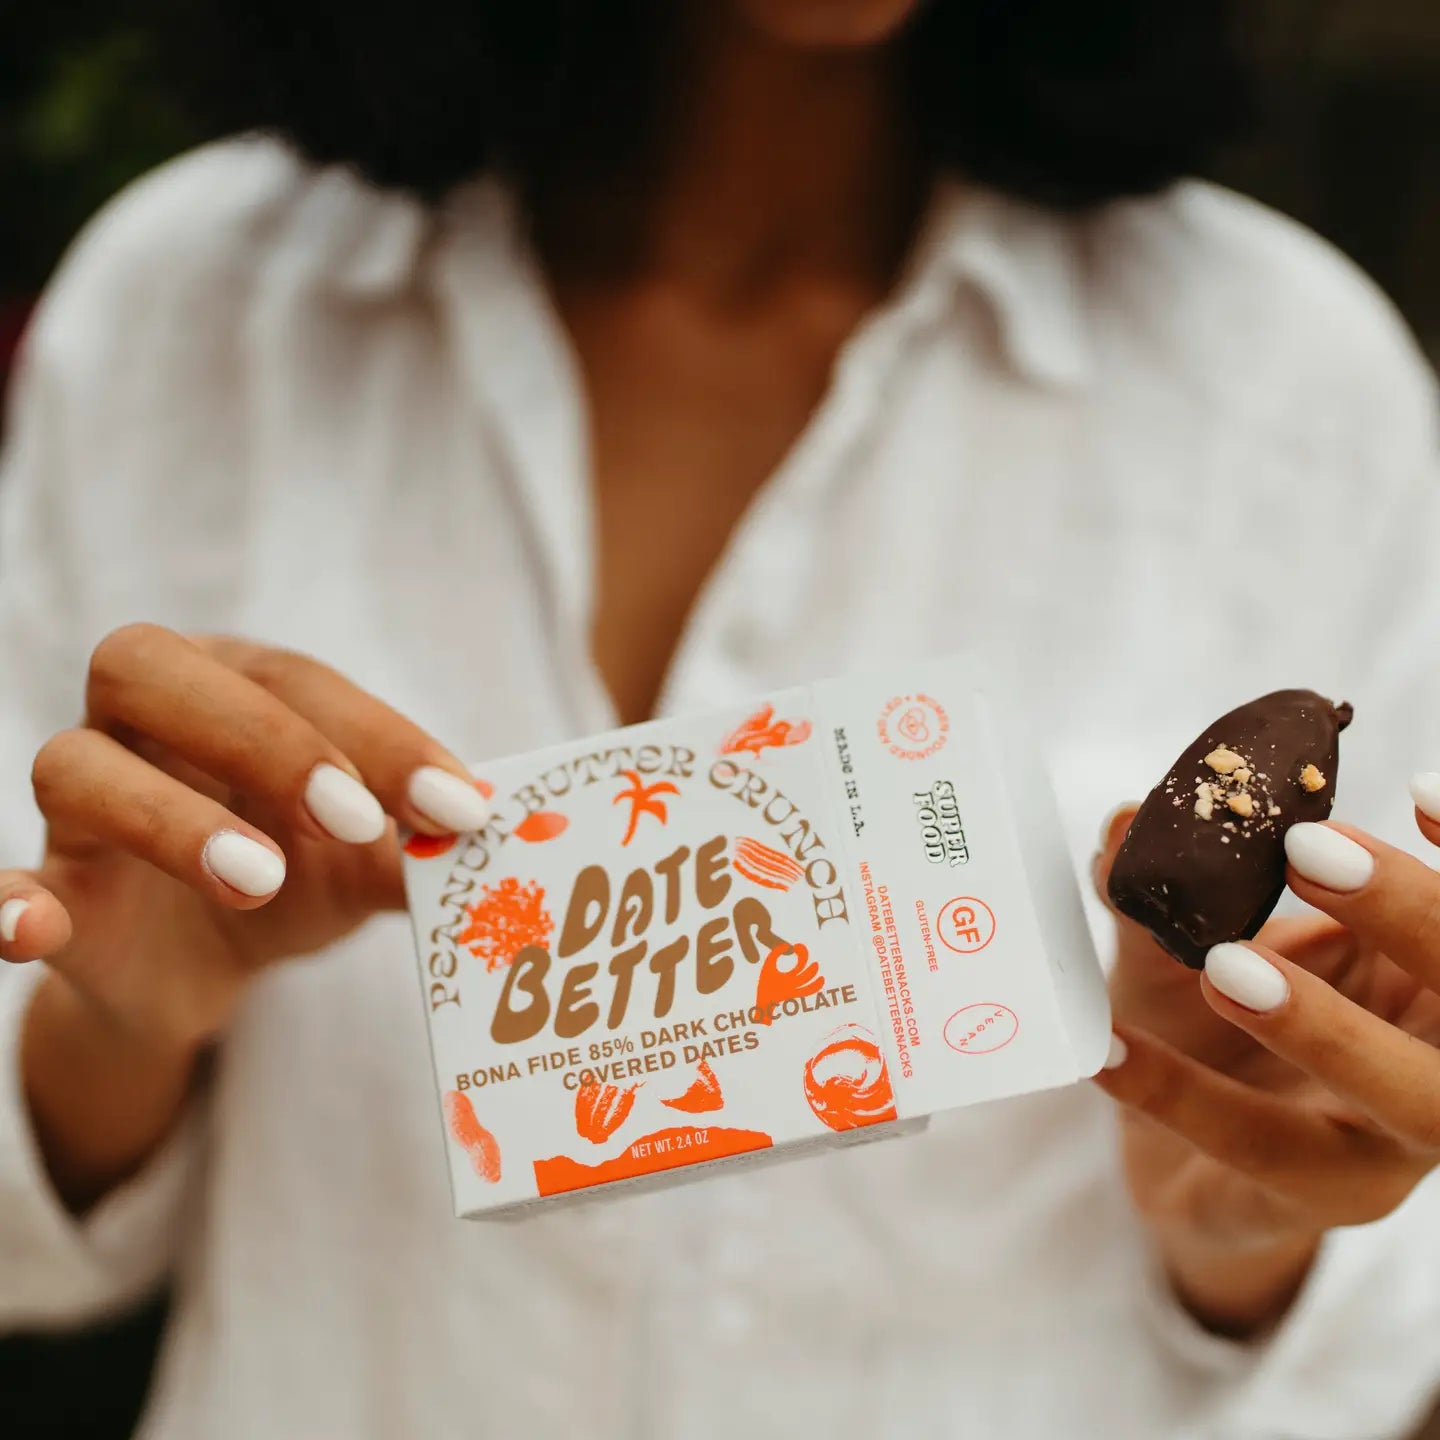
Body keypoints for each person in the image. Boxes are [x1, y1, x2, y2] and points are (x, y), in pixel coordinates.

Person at [2, 2, 1439, 1435]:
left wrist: (1247, 1229)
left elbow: (1367, 1340)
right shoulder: (188, 310)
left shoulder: (1293, 391)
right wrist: (113, 1026)